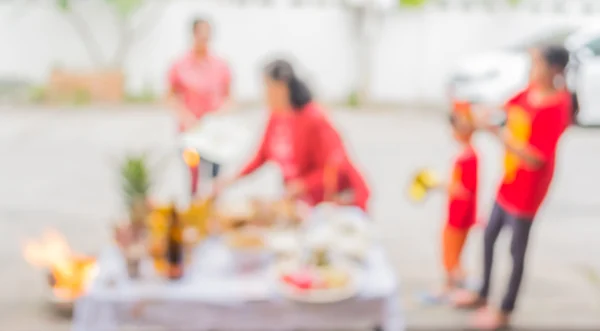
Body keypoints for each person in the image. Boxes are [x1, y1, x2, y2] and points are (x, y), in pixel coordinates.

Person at [452, 45, 572, 330]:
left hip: (529, 190)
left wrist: (499, 135)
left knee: (517, 250)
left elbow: (535, 158)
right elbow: (504, 109)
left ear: (554, 69)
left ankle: (505, 310)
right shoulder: (529, 91)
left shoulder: (557, 105)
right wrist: (478, 113)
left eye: (537, 64)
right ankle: (482, 295)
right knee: (489, 236)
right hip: (509, 180)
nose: (532, 69)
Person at [214, 59, 370, 211]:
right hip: (300, 203)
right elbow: (261, 156)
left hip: (331, 203)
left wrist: (302, 186)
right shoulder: (275, 118)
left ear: (281, 86)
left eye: (267, 87)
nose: (265, 94)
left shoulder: (314, 118)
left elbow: (336, 165)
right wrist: (230, 180)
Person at [421, 101, 479, 303]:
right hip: (462, 213)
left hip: (458, 215)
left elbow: (462, 190)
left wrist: (435, 184)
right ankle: (459, 281)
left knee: (450, 253)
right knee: (455, 252)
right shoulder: (469, 154)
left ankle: (450, 286)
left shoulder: (467, 158)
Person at [167, 17, 232, 196]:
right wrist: (185, 117)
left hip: (214, 131)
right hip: (191, 131)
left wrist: (220, 114)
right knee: (193, 172)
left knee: (215, 175)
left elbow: (229, 98)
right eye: (201, 33)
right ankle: (194, 208)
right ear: (193, 34)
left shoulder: (221, 65)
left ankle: (213, 210)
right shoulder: (179, 65)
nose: (205, 38)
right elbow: (171, 97)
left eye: (208, 34)